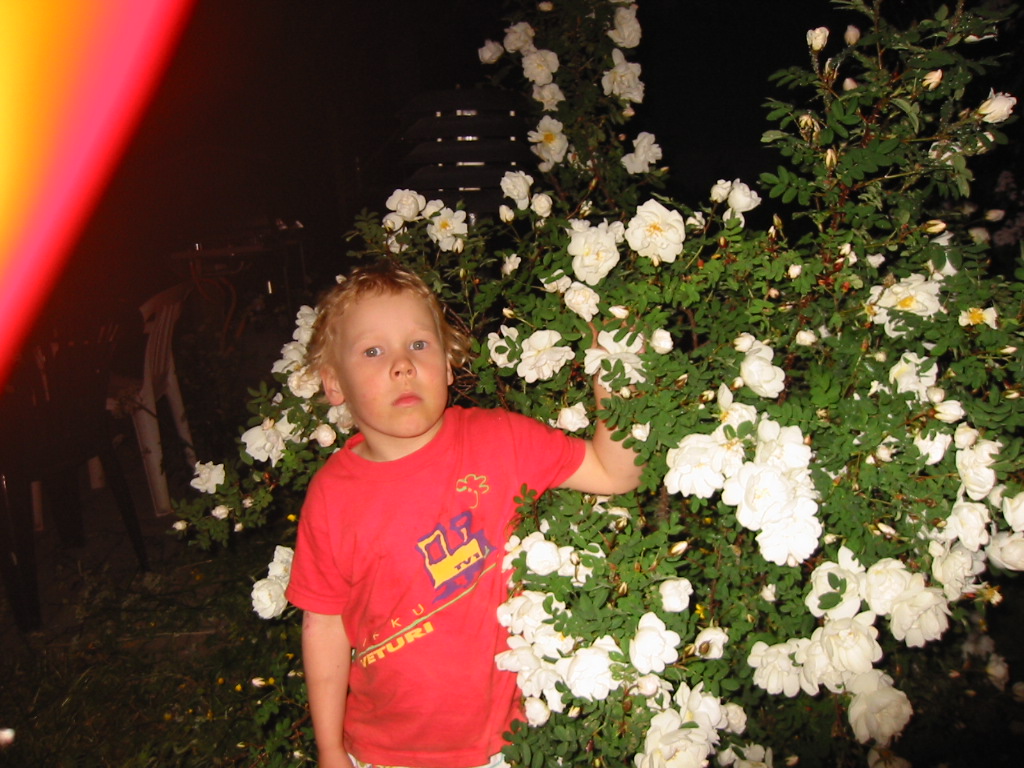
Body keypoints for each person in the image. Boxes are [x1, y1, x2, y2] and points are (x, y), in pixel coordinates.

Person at [285, 260, 643, 768]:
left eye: (419, 344)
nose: (402, 365)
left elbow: (614, 473)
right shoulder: (331, 496)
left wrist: (613, 367)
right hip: (383, 752)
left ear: (449, 366)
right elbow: (324, 626)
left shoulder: (501, 441)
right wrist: (328, 749)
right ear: (334, 383)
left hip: (506, 746)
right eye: (372, 351)